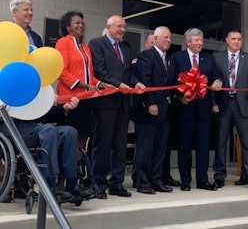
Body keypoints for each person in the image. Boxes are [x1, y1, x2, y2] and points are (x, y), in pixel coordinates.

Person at [89, 15, 143, 199]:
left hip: (123, 103)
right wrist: (119, 84)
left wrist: (136, 83)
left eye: (124, 27)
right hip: (105, 103)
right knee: (102, 144)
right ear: (108, 26)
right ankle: (98, 183)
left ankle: (116, 183)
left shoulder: (125, 49)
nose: (122, 30)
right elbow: (99, 71)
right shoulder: (97, 44)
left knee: (120, 144)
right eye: (119, 26)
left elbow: (129, 73)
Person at [0, 97, 91, 201]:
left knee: (69, 132)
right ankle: (50, 185)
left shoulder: (32, 91)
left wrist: (64, 108)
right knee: (49, 130)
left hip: (37, 127)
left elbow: (42, 113)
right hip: (14, 130)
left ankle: (72, 184)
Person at [169, 28, 222, 191]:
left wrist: (218, 81)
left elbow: (216, 76)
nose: (200, 43)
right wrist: (178, 97)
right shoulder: (177, 57)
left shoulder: (208, 58)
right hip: (184, 108)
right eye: (196, 40)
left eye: (201, 40)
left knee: (203, 146)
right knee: (184, 145)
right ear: (188, 42)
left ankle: (202, 180)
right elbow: (171, 81)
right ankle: (185, 180)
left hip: (204, 109)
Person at [56, 11, 114, 151]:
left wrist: (101, 84)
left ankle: (77, 167)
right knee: (71, 136)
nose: (81, 25)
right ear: (68, 27)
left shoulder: (86, 48)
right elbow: (61, 71)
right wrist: (84, 85)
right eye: (77, 23)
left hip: (87, 99)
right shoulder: (63, 43)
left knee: (83, 135)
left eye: (82, 23)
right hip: (71, 99)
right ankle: (67, 170)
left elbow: (90, 75)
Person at [212, 29, 248, 190]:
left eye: (239, 39)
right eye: (233, 38)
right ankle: (219, 176)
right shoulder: (217, 57)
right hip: (224, 104)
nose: (236, 41)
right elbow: (212, 79)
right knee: (221, 143)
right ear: (227, 40)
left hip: (243, 105)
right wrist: (214, 101)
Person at [131, 26, 174, 194]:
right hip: (149, 110)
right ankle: (143, 182)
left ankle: (156, 180)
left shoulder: (167, 58)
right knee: (145, 148)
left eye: (169, 37)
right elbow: (145, 80)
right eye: (165, 37)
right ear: (155, 39)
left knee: (160, 147)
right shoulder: (146, 56)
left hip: (165, 110)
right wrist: (151, 103)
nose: (168, 40)